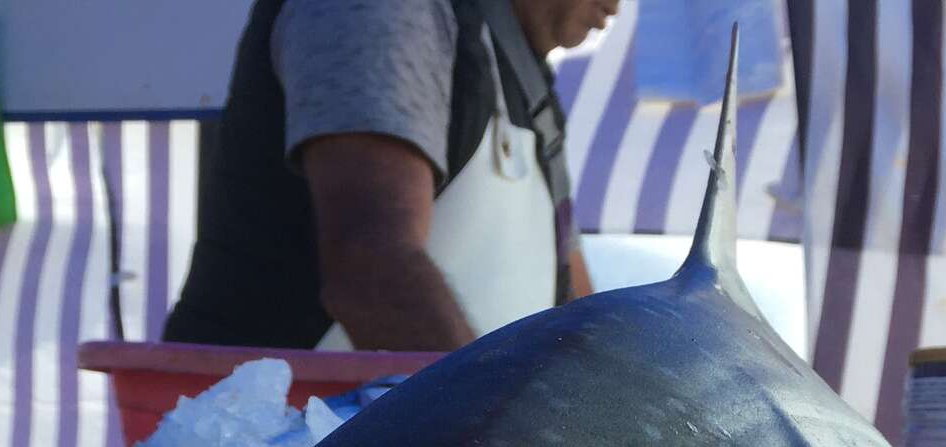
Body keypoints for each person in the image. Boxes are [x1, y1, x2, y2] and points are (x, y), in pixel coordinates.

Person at [165, 0, 620, 352]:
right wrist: (500, 444)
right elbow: (371, 271)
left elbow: (575, 310)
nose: (618, 6)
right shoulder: (382, 11)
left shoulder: (527, 84)